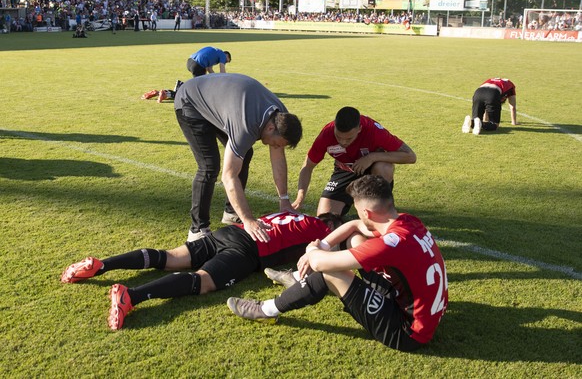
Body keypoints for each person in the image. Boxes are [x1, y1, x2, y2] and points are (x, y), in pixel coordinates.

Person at [227, 175, 448, 352]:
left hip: (408, 332)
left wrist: (312, 250)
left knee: (331, 272)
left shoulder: (389, 244)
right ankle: (295, 279)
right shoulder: (407, 221)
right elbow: (353, 226)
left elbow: (322, 264)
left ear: (366, 212)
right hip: (420, 309)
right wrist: (322, 244)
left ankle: (266, 310)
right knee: (355, 240)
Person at [60, 211, 342, 330]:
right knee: (203, 281)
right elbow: (317, 256)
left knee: (170, 257)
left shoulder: (299, 216)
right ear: (332, 226)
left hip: (232, 232)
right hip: (246, 251)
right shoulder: (321, 231)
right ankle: (131, 296)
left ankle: (102, 265)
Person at [174, 73, 303, 242]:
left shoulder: (281, 117)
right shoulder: (246, 127)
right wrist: (248, 220)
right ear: (271, 128)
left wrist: (284, 200)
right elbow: (229, 176)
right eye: (277, 143)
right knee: (209, 166)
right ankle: (198, 229)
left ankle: (231, 212)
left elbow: (278, 159)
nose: (276, 147)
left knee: (245, 152)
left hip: (221, 102)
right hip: (190, 102)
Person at [292, 106, 416, 217]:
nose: (343, 142)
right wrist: (300, 197)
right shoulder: (326, 134)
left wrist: (371, 157)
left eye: (349, 138)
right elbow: (308, 166)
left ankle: (382, 209)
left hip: (372, 168)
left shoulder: (374, 131)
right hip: (345, 169)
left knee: (384, 167)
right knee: (325, 218)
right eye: (338, 137)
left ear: (359, 129)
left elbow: (410, 156)